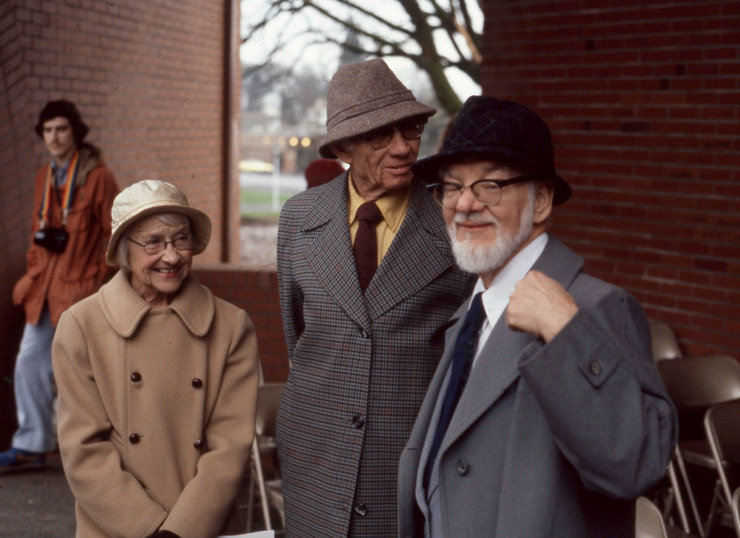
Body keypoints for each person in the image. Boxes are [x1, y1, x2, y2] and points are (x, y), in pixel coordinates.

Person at [398, 96, 678, 537]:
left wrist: (567, 333)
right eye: (451, 187)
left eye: (489, 185)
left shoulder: (594, 307)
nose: (465, 203)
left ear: (542, 200)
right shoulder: (470, 312)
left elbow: (635, 466)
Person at [276, 58, 474, 537]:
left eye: (411, 129)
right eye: (381, 135)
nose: (404, 147)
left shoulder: (454, 223)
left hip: (409, 469)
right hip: (314, 462)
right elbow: (297, 337)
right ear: (343, 146)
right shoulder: (298, 218)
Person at [51, 180, 260, 537]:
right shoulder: (81, 326)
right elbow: (83, 451)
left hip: (203, 526)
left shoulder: (231, 326)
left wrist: (179, 531)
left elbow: (230, 447)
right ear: (124, 249)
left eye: (181, 239)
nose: (172, 256)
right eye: (153, 242)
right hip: (117, 526)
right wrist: (147, 528)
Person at [1, 100, 119, 470]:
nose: (54, 137)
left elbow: (116, 233)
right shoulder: (44, 176)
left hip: (80, 291)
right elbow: (37, 235)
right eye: (48, 130)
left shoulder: (98, 177)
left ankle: (97, 449)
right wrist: (31, 274)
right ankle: (32, 444)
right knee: (29, 363)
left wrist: (98, 277)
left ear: (75, 132)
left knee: (85, 370)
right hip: (44, 290)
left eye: (61, 129)